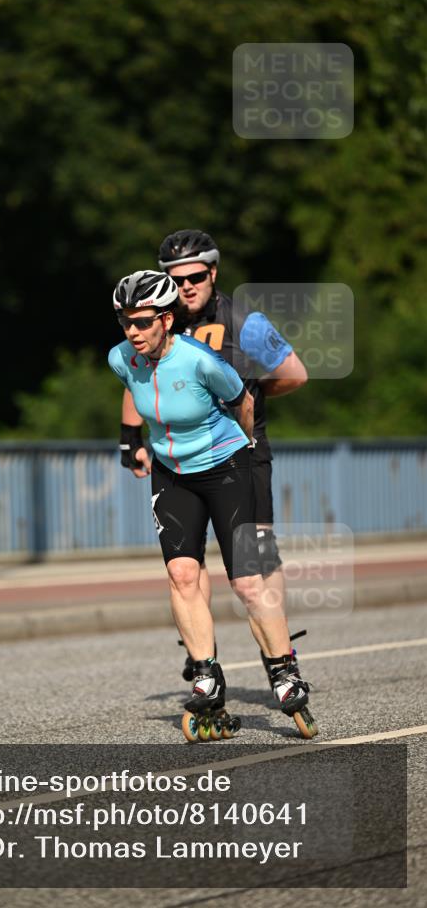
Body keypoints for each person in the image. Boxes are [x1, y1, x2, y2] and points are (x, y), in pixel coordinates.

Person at [109, 270, 316, 740]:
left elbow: (243, 399)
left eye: (142, 322)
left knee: (245, 580)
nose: (132, 332)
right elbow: (137, 395)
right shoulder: (121, 358)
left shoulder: (200, 360)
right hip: (172, 472)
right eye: (125, 323)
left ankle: (284, 671)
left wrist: (244, 447)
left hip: (225, 467)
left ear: (165, 319)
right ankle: (206, 673)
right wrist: (133, 443)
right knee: (182, 574)